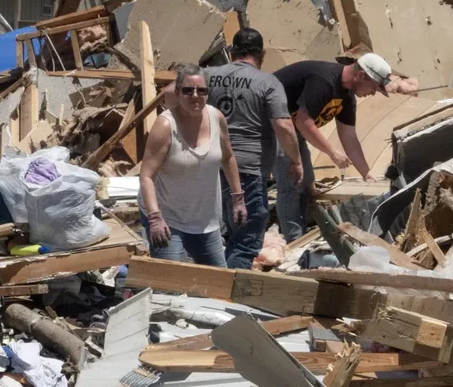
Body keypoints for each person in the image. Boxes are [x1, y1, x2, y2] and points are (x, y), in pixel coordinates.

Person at [164, 28, 303, 268]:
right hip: (247, 171)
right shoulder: (268, 82)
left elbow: (168, 93)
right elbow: (283, 125)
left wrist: (184, 127)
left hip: (207, 168)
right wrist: (296, 159)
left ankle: (209, 287)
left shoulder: (207, 75)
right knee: (246, 242)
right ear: (262, 55)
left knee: (215, 235)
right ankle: (228, 297)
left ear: (232, 51)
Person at [273, 53, 393, 242]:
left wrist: (367, 175)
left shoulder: (347, 96)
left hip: (292, 131)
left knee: (306, 183)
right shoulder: (325, 81)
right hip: (273, 126)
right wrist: (332, 152)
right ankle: (294, 240)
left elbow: (349, 138)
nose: (373, 92)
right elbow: (304, 122)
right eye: (374, 87)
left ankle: (299, 234)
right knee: (291, 184)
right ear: (361, 75)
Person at [139, 63, 247, 267]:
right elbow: (146, 175)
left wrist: (238, 198)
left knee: (218, 282)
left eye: (201, 90)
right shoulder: (165, 126)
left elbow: (228, 157)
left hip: (205, 218)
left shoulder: (217, 118)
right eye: (188, 90)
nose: (195, 96)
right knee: (170, 287)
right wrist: (154, 218)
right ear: (178, 93)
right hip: (167, 217)